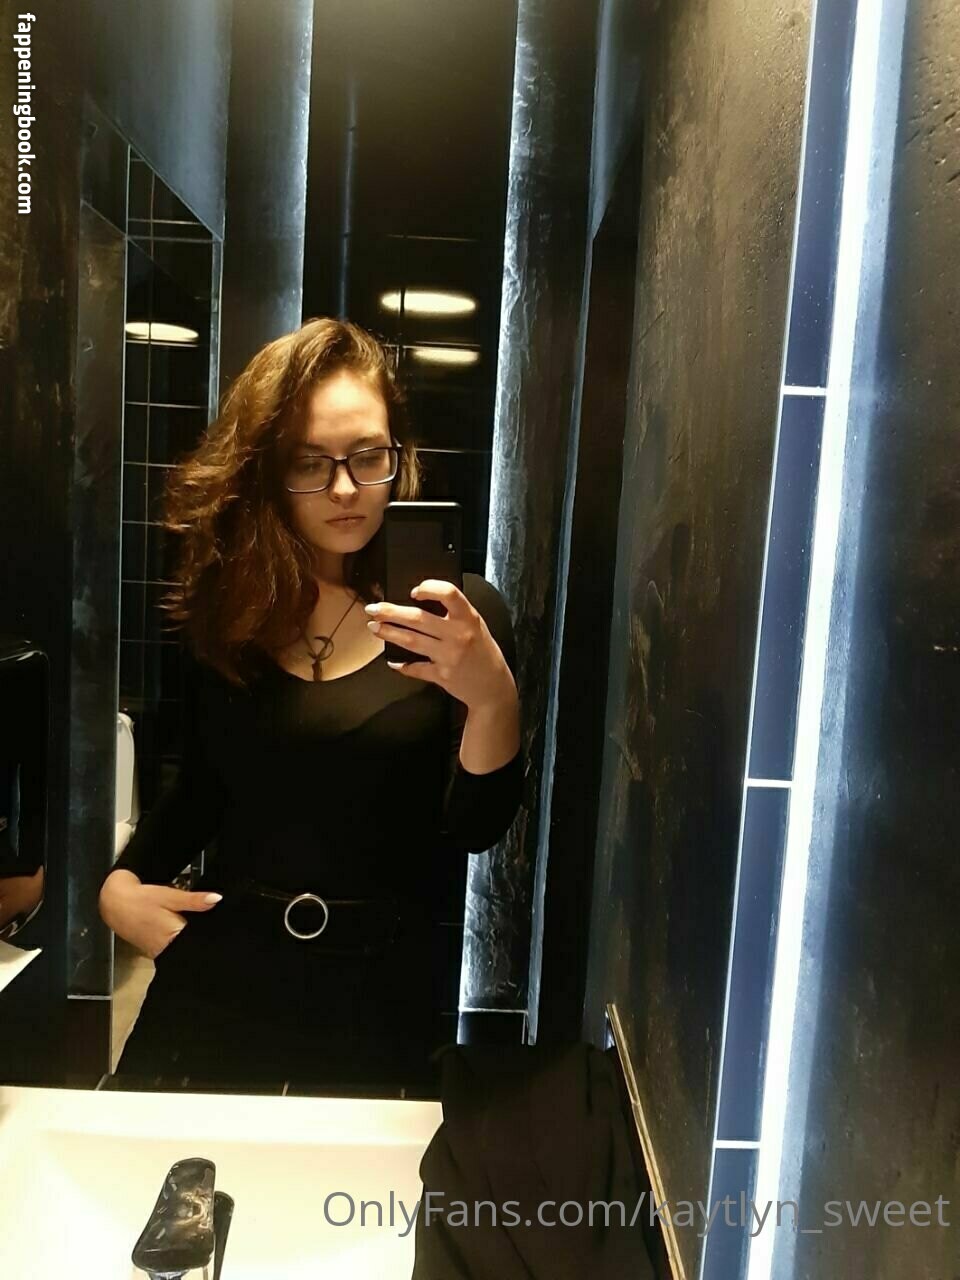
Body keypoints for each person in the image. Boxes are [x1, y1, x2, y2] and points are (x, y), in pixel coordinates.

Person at [99, 317, 522, 1092]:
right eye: (309, 463)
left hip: (377, 1006)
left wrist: (494, 697)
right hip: (216, 994)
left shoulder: (461, 619)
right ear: (268, 470)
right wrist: (120, 886)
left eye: (367, 456)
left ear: (399, 454)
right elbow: (201, 788)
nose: (344, 488)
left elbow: (473, 828)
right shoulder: (232, 611)